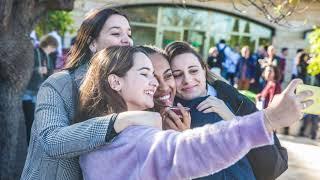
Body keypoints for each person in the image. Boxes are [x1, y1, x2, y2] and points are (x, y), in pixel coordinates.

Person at [79, 46, 312, 180]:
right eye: (145, 73)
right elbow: (192, 150)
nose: (157, 84)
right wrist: (269, 118)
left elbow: (272, 166)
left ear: (204, 69)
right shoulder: (130, 134)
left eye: (165, 75)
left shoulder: (101, 128)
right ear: (115, 82)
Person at [21, 8, 162, 180]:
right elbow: (51, 141)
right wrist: (120, 121)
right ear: (92, 43)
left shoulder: (129, 83)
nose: (127, 41)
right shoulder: (58, 84)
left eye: (129, 34)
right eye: (116, 33)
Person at [164, 41, 287, 180]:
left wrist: (232, 119)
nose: (187, 79)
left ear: (204, 70)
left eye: (193, 71)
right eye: (177, 74)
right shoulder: (169, 115)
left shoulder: (235, 99)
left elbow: (272, 165)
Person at [22, 34, 58, 144]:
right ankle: (30, 145)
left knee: (39, 121)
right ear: (49, 45)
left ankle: (35, 145)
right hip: (29, 91)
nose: (52, 51)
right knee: (30, 121)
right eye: (53, 47)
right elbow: (23, 70)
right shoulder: (34, 52)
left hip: (40, 93)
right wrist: (37, 69)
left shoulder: (47, 56)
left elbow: (49, 71)